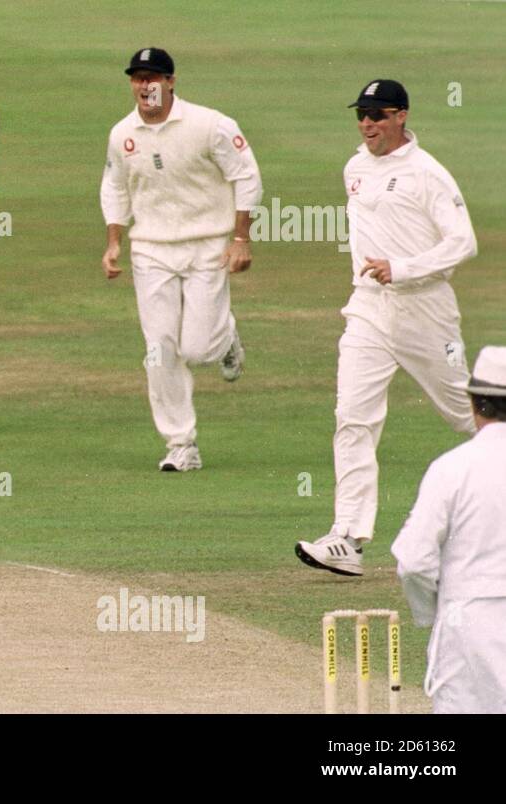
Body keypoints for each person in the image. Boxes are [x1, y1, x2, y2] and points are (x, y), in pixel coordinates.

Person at [296, 79, 478, 577]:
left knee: (469, 416)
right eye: (361, 115)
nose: (367, 124)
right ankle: (348, 538)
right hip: (369, 308)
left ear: (402, 116)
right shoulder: (354, 167)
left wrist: (403, 268)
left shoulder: (428, 173)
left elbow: (463, 243)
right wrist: (382, 276)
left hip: (425, 309)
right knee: (353, 418)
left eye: (377, 115)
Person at [99, 47, 262, 471]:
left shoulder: (210, 125)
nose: (145, 85)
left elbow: (246, 175)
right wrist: (114, 240)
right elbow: (115, 186)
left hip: (207, 244)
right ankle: (180, 444)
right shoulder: (122, 134)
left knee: (197, 347)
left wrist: (240, 237)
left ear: (171, 81)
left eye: (153, 77)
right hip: (151, 248)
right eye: (137, 78)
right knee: (160, 348)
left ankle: (225, 341)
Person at [391, 346, 506, 713]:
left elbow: (413, 561)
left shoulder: (452, 468)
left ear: (474, 404)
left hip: (468, 625)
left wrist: (431, 611)